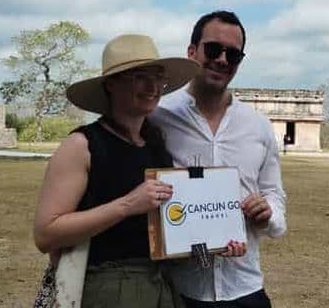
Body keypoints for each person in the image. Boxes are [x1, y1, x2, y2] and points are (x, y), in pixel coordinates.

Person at [32, 34, 244, 307]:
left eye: (158, 77)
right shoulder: (82, 145)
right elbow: (46, 234)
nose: (153, 87)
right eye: (139, 77)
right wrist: (128, 204)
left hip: (162, 286)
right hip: (108, 288)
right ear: (111, 84)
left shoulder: (156, 145)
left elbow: (166, 235)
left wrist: (211, 246)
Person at [150, 11, 287, 308]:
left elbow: (274, 195)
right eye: (213, 49)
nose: (223, 60)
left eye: (233, 55)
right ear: (191, 52)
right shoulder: (158, 117)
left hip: (245, 288)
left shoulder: (258, 125)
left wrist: (268, 213)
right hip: (179, 291)